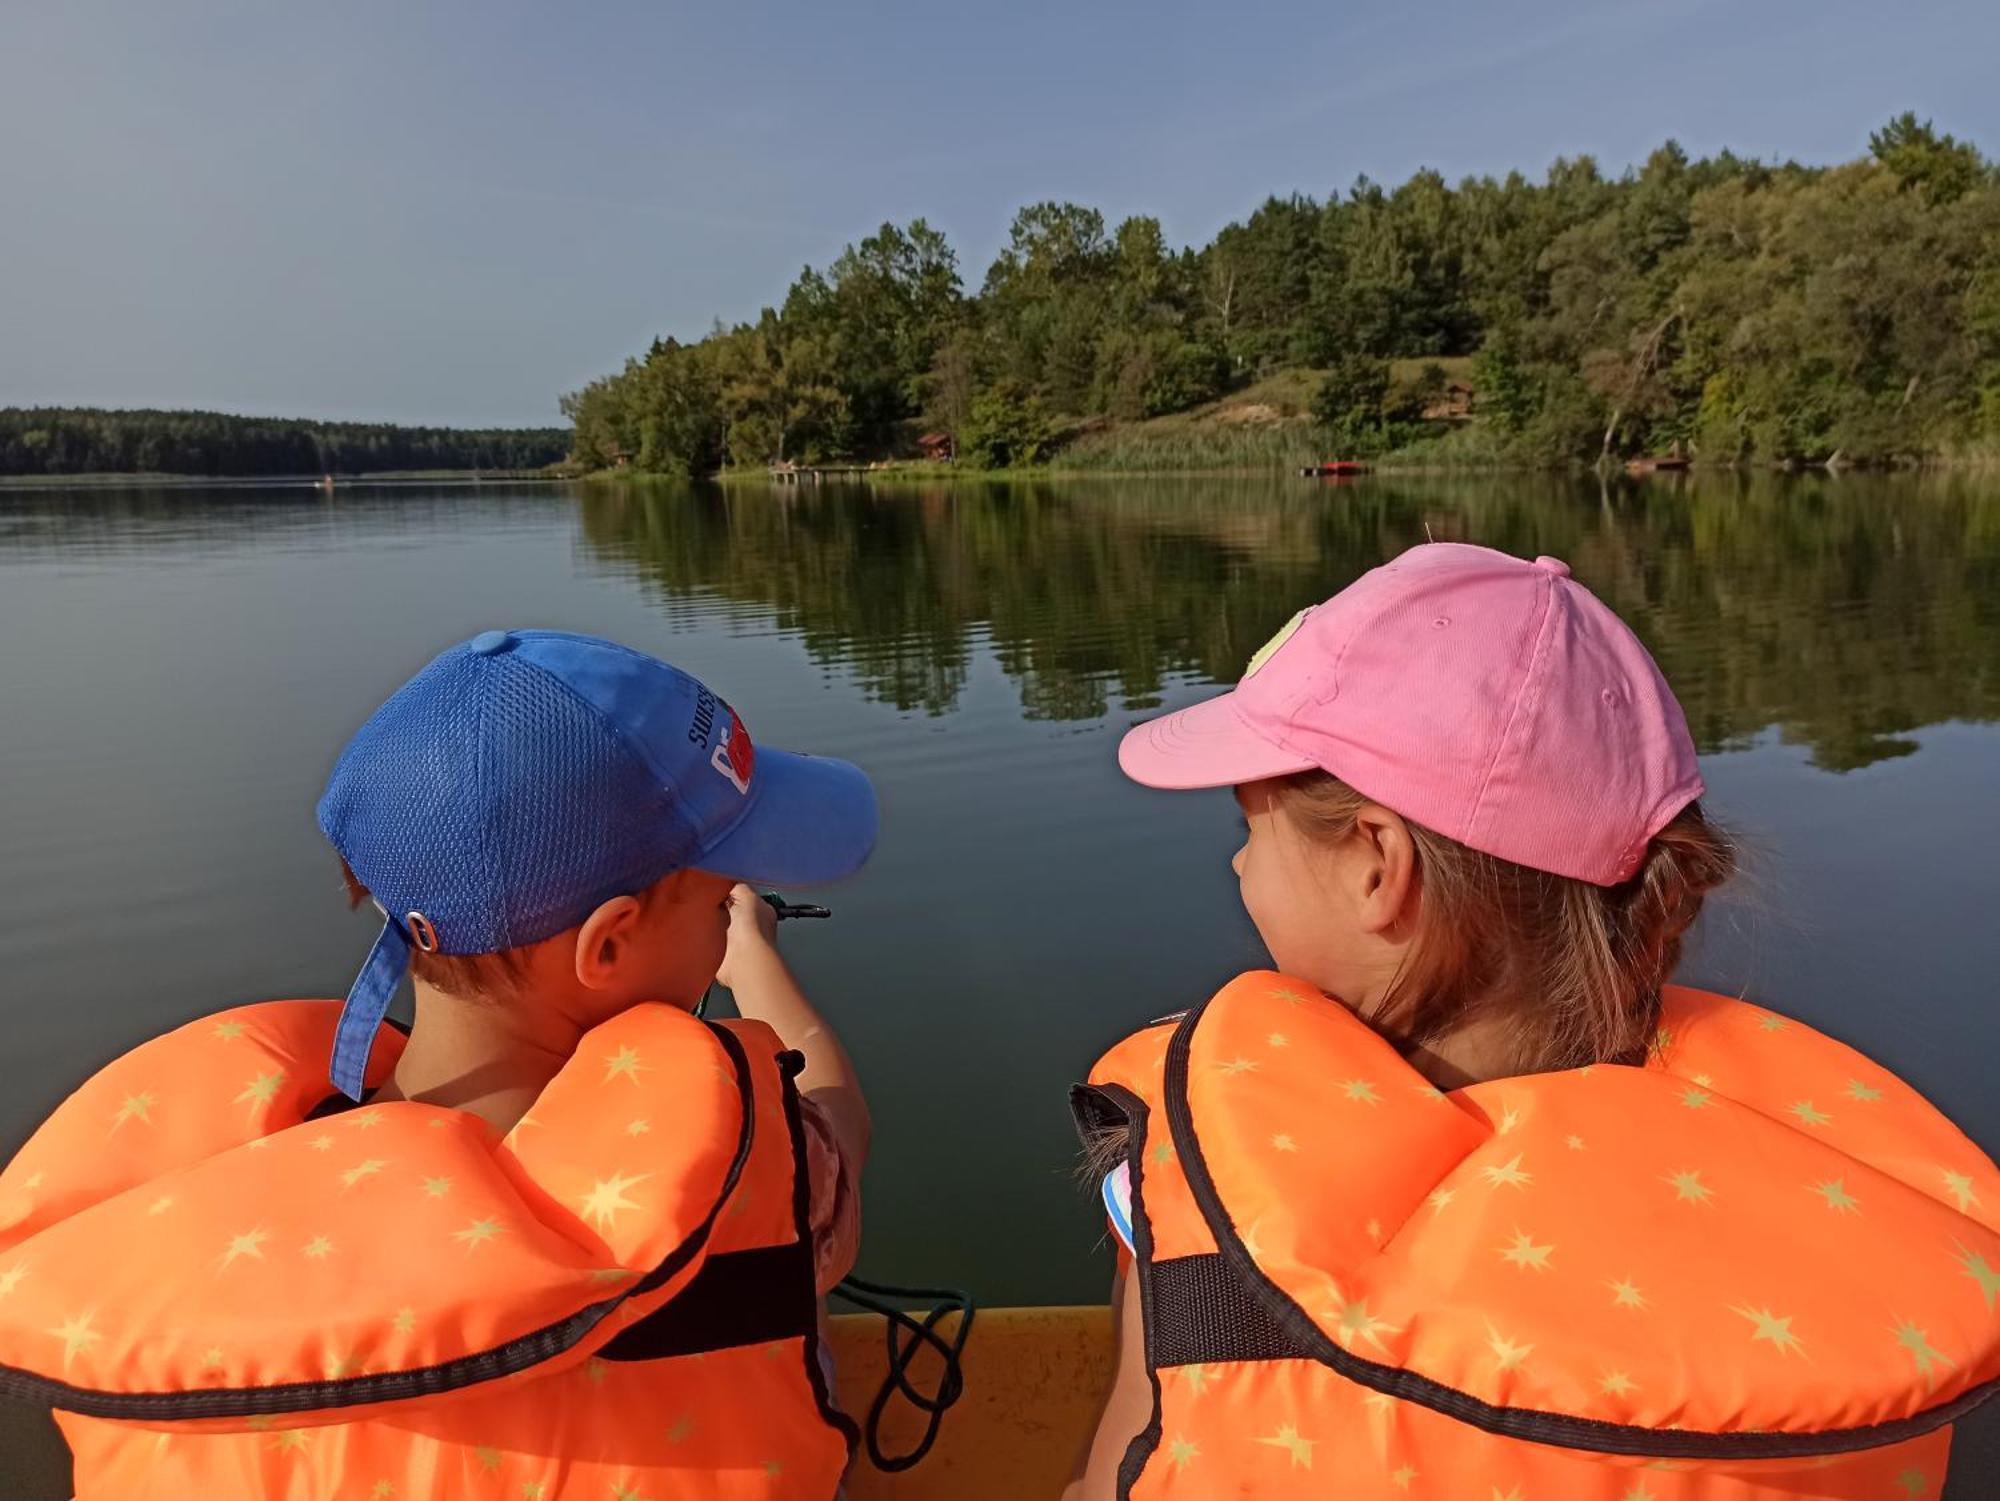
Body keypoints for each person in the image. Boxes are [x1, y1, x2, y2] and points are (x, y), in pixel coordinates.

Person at [1068, 544, 2000, 1500]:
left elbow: (1116, 1478)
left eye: (1248, 829)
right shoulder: (1844, 1277)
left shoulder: (1202, 1195)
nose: (1238, 868)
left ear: (1375, 866)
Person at [0, 628, 877, 1499]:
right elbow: (840, 1115)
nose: (729, 910)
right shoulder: (751, 1166)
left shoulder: (183, 1253)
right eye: (718, 893)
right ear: (608, 943)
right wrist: (753, 958)